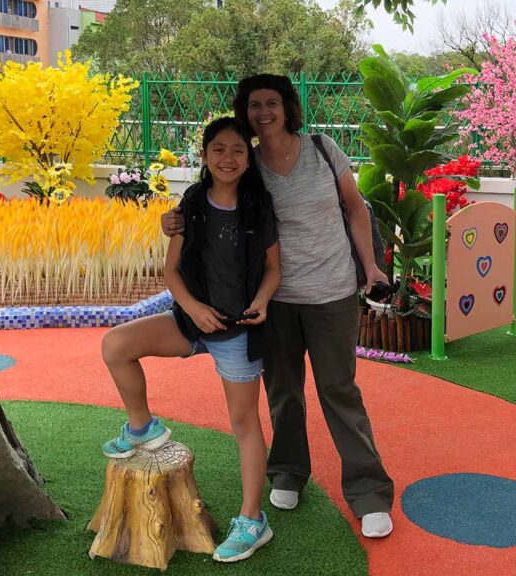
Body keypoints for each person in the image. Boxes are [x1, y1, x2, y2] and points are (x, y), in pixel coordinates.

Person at [163, 74, 395, 538]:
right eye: (254, 105)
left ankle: (369, 491)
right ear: (244, 112)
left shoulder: (322, 149)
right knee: (283, 389)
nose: (263, 112)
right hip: (275, 301)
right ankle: (288, 470)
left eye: (272, 102)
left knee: (339, 391)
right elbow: (212, 200)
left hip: (331, 293)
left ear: (288, 107)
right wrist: (174, 219)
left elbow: (354, 208)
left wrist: (370, 267)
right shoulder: (246, 165)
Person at [100, 117, 281, 563]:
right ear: (204, 156)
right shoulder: (192, 202)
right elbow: (172, 271)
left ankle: (253, 519)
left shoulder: (259, 206)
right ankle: (143, 428)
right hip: (190, 321)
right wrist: (194, 310)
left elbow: (274, 269)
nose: (228, 158)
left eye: (238, 149)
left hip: (239, 328)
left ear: (249, 156)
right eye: (218, 149)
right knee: (116, 346)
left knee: (245, 423)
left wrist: (261, 300)